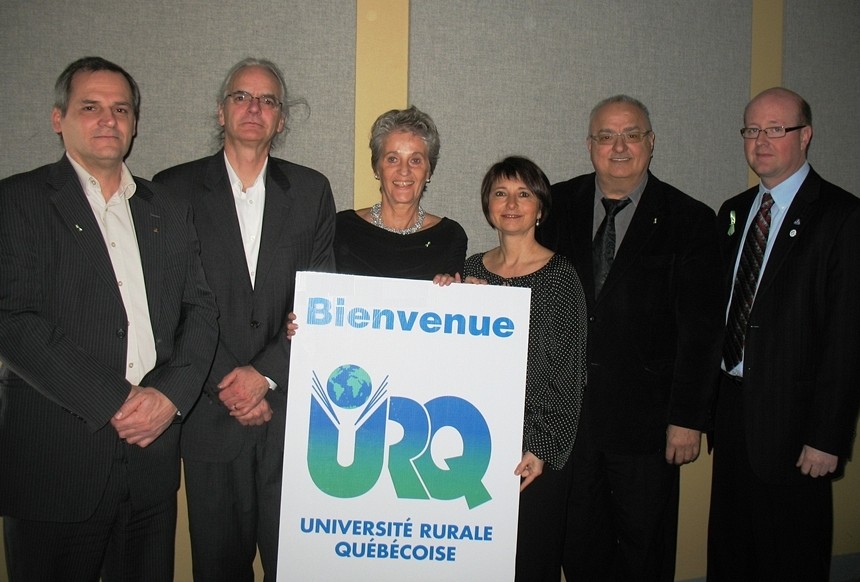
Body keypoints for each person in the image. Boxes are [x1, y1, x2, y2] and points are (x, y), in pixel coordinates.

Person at [0, 56, 218, 581]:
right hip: (56, 462)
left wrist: (168, 398)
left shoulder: (166, 207)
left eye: (121, 109)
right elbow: (12, 320)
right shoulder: (17, 201)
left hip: (151, 464)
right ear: (59, 118)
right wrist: (116, 401)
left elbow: (201, 311)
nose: (108, 120)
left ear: (135, 122)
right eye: (90, 107)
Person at [153, 58, 336, 581]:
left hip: (289, 415)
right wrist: (226, 384)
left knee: (295, 566)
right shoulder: (173, 190)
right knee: (218, 568)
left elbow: (317, 299)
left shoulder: (311, 191)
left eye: (268, 100)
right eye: (241, 97)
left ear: (281, 119)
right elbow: (169, 305)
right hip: (208, 415)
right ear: (221, 110)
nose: (254, 108)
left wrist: (265, 374)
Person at [536, 95, 724, 581]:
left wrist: (688, 419)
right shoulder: (556, 205)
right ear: (589, 145)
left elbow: (701, 332)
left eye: (631, 134)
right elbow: (524, 276)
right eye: (606, 136)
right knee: (579, 546)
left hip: (648, 425)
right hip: (571, 420)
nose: (618, 146)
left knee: (645, 550)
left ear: (651, 142)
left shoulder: (691, 220)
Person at [707, 87, 860, 581]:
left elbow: (847, 336)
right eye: (752, 130)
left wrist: (826, 436)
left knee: (789, 558)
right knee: (731, 553)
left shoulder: (842, 216)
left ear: (805, 135)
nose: (762, 140)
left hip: (798, 429)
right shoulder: (732, 212)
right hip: (731, 415)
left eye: (777, 128)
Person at [436, 156, 587, 581]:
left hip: (531, 453)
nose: (512, 203)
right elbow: (450, 361)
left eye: (524, 194)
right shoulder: (469, 270)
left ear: (540, 207)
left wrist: (541, 448)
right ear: (488, 207)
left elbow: (568, 374)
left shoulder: (561, 277)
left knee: (528, 564)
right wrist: (447, 299)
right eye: (500, 193)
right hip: (474, 446)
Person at [335, 105, 467, 279]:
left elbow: (452, 304)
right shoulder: (341, 228)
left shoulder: (449, 236)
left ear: (428, 171)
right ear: (377, 168)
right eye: (392, 159)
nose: (404, 170)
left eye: (415, 160)